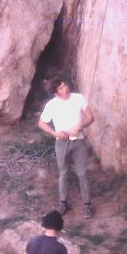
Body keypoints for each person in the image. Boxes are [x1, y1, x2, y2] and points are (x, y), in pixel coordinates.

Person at [37, 78, 95, 219]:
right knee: (63, 173)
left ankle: (87, 205)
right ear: (56, 94)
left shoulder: (78, 98)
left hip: (79, 142)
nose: (66, 88)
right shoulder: (52, 105)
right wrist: (54, 133)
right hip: (62, 142)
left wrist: (80, 126)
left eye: (65, 85)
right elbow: (41, 123)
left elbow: (90, 117)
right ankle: (63, 203)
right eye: (61, 88)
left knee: (82, 173)